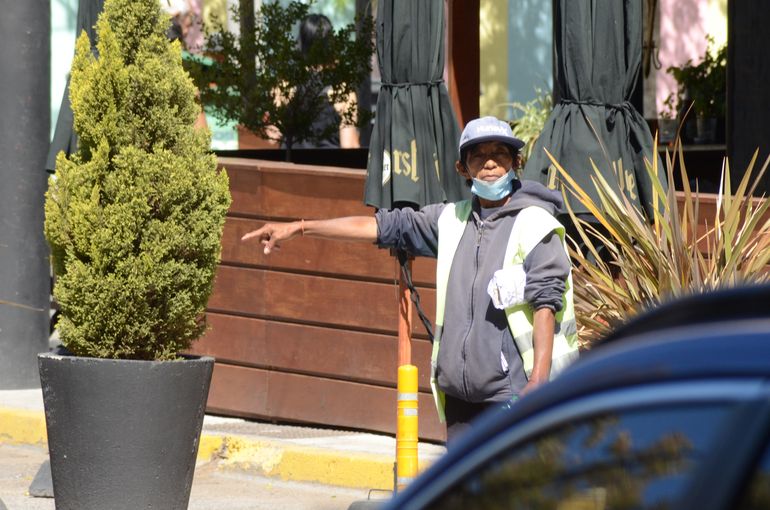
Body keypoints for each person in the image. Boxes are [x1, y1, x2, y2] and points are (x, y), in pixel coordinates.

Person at [242, 116, 579, 443]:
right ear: (463, 169)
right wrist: (300, 228)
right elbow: (380, 227)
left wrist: (538, 382)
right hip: (459, 396)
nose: (490, 163)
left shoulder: (535, 223)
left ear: (515, 162)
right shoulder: (450, 219)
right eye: (478, 155)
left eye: (500, 154)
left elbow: (545, 304)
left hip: (514, 394)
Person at [284, 13, 360, 149]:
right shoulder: (342, 93)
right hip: (328, 168)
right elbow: (349, 146)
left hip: (289, 168)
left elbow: (271, 136)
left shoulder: (285, 86)